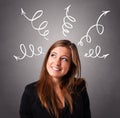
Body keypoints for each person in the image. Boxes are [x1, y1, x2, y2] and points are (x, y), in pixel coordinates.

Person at [19, 39, 91, 118]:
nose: (57, 63)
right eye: (53, 55)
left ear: (71, 66)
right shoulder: (30, 91)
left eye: (64, 59)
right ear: (47, 58)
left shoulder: (79, 87)